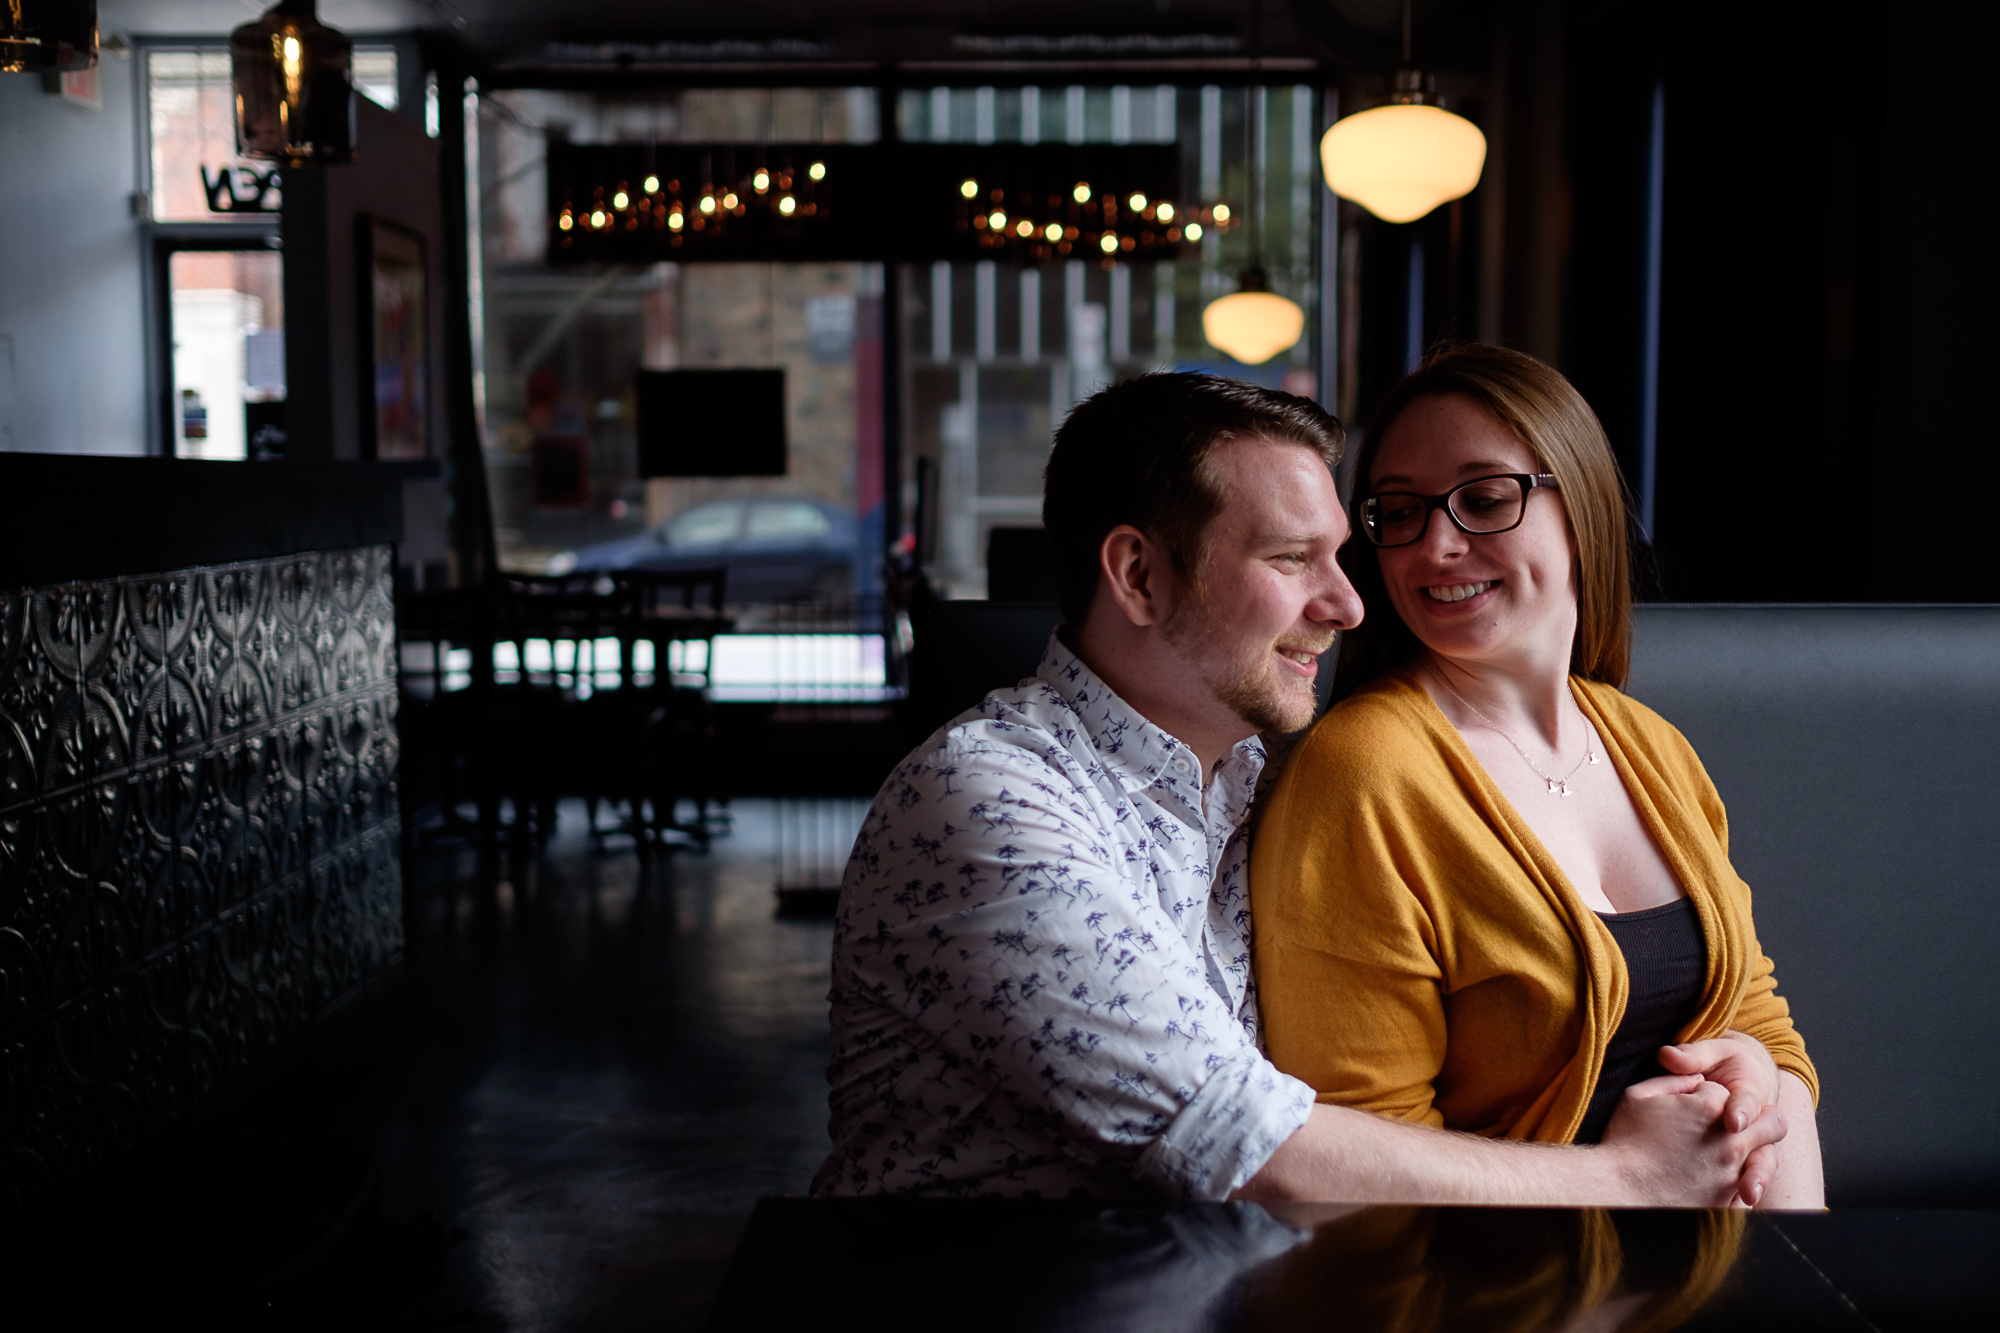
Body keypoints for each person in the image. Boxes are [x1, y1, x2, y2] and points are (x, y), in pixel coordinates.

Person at [813, 372, 1788, 1204]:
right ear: (1138, 576)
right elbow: (1249, 1148)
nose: (1350, 602)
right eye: (1290, 559)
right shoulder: (986, 799)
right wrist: (1624, 1179)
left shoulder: (1243, 778)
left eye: (1339, 551)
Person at [1251, 345, 1824, 1208]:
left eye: (1483, 499)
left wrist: (1765, 1120)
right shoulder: (1361, 774)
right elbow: (1358, 1162)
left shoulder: (1651, 745)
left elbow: (1767, 1030)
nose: (1435, 545)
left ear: (1581, 504)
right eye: (1399, 512)